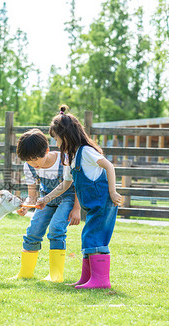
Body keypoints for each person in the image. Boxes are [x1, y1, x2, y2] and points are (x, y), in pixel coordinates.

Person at [36, 105, 122, 289]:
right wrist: (45, 199)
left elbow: (109, 166)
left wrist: (113, 192)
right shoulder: (71, 157)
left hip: (104, 202)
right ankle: (88, 278)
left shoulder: (87, 152)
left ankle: (101, 281)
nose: (56, 144)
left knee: (94, 236)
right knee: (88, 236)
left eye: (56, 139)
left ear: (66, 136)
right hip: (93, 205)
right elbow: (64, 185)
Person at [11, 128, 81, 282]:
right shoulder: (29, 166)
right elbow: (32, 196)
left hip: (67, 199)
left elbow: (76, 185)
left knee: (56, 229)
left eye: (36, 159)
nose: (33, 163)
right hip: (44, 201)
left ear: (47, 150)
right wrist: (26, 206)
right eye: (29, 160)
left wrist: (77, 208)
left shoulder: (64, 160)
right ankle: (25, 273)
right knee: (32, 231)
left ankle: (56, 275)